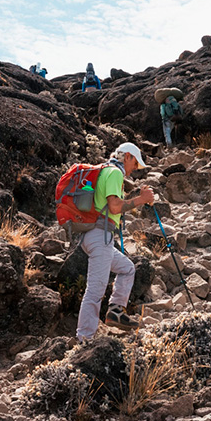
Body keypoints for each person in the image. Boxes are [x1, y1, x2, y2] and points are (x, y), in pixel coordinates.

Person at [76, 141, 154, 341]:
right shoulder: (114, 172)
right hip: (99, 236)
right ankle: (84, 339)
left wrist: (138, 197)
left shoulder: (105, 171)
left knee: (127, 268)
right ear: (127, 156)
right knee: (95, 290)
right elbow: (115, 207)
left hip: (97, 236)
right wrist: (142, 199)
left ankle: (116, 311)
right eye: (135, 163)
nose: (134, 169)